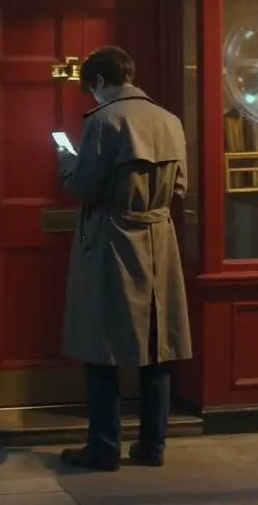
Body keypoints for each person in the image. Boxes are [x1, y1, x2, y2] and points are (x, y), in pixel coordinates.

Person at [54, 46, 193, 472]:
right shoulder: (170, 120)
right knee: (157, 346)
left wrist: (65, 160)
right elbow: (181, 188)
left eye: (91, 89)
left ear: (98, 83)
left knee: (101, 344)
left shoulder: (104, 121)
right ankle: (152, 445)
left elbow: (85, 187)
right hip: (159, 242)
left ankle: (104, 446)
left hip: (113, 241)